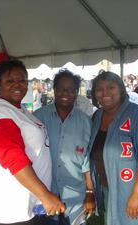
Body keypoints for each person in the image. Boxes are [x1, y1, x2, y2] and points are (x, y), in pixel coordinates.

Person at [0, 60, 65, 225]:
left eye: (22, 80)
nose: (17, 85)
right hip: (8, 206)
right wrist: (45, 195)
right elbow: (15, 160)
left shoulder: (18, 109)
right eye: (10, 81)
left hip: (28, 200)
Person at [89, 71, 138, 225]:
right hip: (109, 189)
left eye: (111, 87)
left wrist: (136, 195)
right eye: (99, 89)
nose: (105, 93)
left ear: (121, 89)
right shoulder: (97, 117)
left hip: (133, 191)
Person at [34, 69, 95, 225]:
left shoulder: (85, 122)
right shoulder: (38, 117)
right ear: (54, 90)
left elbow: (86, 161)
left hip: (75, 196)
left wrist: (89, 193)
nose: (65, 93)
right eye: (61, 88)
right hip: (45, 194)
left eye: (71, 89)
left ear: (76, 93)